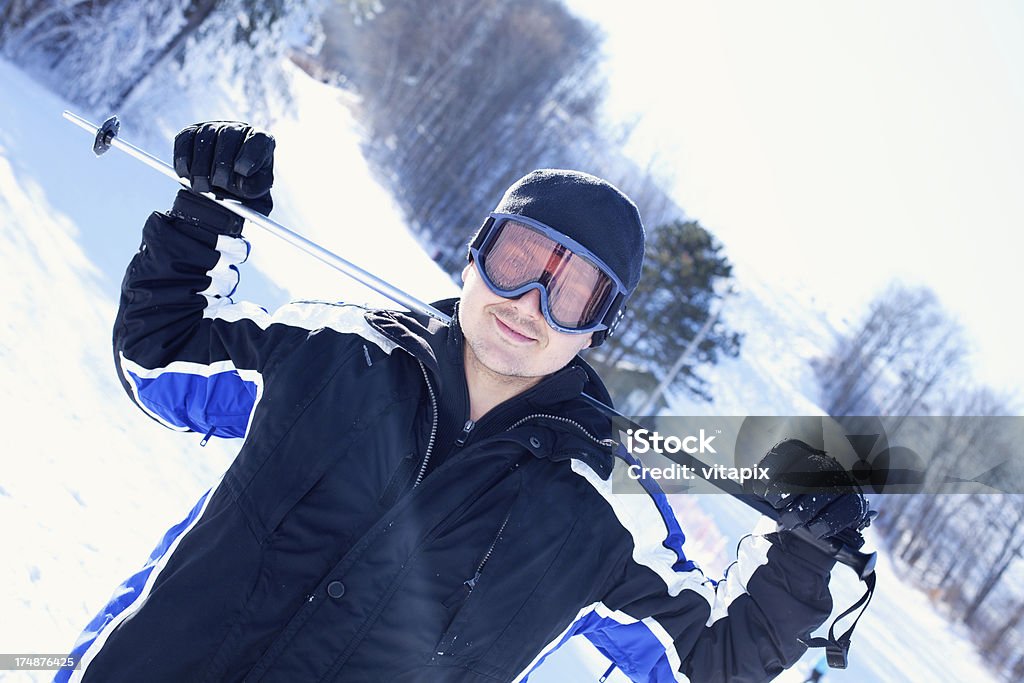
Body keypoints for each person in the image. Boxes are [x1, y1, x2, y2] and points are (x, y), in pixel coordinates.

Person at [60, 122, 871, 682]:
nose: (527, 304)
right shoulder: (336, 355)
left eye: (571, 291)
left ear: (598, 328)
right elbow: (156, 357)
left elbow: (712, 660)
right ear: (478, 254)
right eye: (519, 258)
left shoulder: (596, 518)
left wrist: (809, 552)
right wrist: (202, 216)